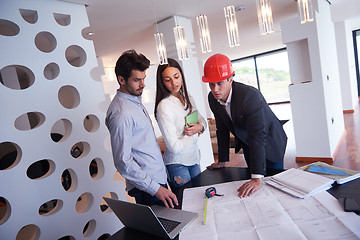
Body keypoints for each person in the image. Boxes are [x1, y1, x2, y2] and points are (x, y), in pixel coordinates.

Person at [202, 53, 287, 198]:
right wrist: (222, 160)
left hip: (270, 141)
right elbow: (221, 128)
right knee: (255, 189)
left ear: (230, 79)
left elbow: (258, 136)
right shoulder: (212, 98)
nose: (215, 89)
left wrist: (256, 178)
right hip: (248, 142)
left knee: (273, 186)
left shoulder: (249, 95)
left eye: (220, 83)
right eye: (211, 84)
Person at [105, 50, 178, 208]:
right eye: (137, 80)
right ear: (121, 80)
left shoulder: (134, 101)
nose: (143, 84)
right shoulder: (121, 113)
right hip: (149, 189)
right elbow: (123, 161)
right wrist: (156, 189)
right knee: (164, 232)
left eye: (143, 79)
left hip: (157, 181)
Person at [154, 58, 207, 189]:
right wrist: (195, 134)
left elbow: (202, 120)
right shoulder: (164, 106)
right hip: (177, 164)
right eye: (167, 80)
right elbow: (174, 147)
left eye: (176, 76)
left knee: (200, 201)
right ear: (162, 82)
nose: (173, 82)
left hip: (194, 159)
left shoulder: (186, 96)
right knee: (186, 205)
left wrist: (200, 127)